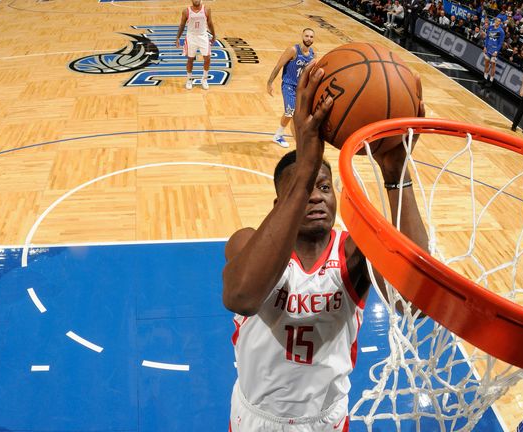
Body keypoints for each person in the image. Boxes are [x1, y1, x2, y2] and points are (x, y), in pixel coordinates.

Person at [223, 61, 428, 431]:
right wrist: (305, 166)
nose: (316, 197)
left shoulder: (355, 251)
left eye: (323, 186)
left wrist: (396, 171)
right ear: (279, 205)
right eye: (302, 189)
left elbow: (412, 301)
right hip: (257, 417)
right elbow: (241, 296)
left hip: (325, 420)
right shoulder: (246, 241)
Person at [266, 28, 315, 148]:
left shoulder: (313, 54)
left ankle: (279, 135)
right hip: (288, 85)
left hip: (301, 88)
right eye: (307, 36)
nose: (308, 38)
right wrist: (269, 82)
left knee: (297, 114)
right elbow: (278, 66)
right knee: (291, 112)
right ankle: (288, 139)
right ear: (302, 36)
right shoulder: (293, 50)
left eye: (311, 37)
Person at [175, 0, 216, 91]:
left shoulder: (206, 9)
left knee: (207, 58)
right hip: (191, 37)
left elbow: (210, 23)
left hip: (203, 36)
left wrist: (214, 35)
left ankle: (204, 79)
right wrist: (178, 38)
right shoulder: (186, 11)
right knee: (190, 59)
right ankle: (189, 79)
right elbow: (182, 25)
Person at [481, 18, 505, 87]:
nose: (497, 22)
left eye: (499, 21)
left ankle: (491, 81)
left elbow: (500, 43)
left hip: (494, 51)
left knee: (493, 66)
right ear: (495, 21)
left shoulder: (501, 31)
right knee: (486, 64)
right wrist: (485, 46)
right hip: (488, 49)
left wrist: (496, 51)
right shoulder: (490, 27)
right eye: (496, 21)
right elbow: (487, 38)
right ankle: (485, 79)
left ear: (500, 23)